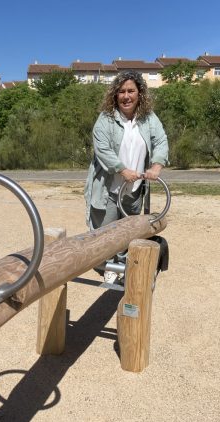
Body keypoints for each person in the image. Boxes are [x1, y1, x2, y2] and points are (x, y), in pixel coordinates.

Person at [84, 71, 169, 284]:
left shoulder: (148, 119)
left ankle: (121, 267)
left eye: (131, 91)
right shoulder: (106, 119)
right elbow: (102, 149)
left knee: (128, 233)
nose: (126, 96)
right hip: (109, 190)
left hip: (134, 190)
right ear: (115, 95)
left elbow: (161, 141)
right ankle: (107, 268)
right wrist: (122, 169)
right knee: (104, 235)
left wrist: (156, 166)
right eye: (121, 91)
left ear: (140, 93)